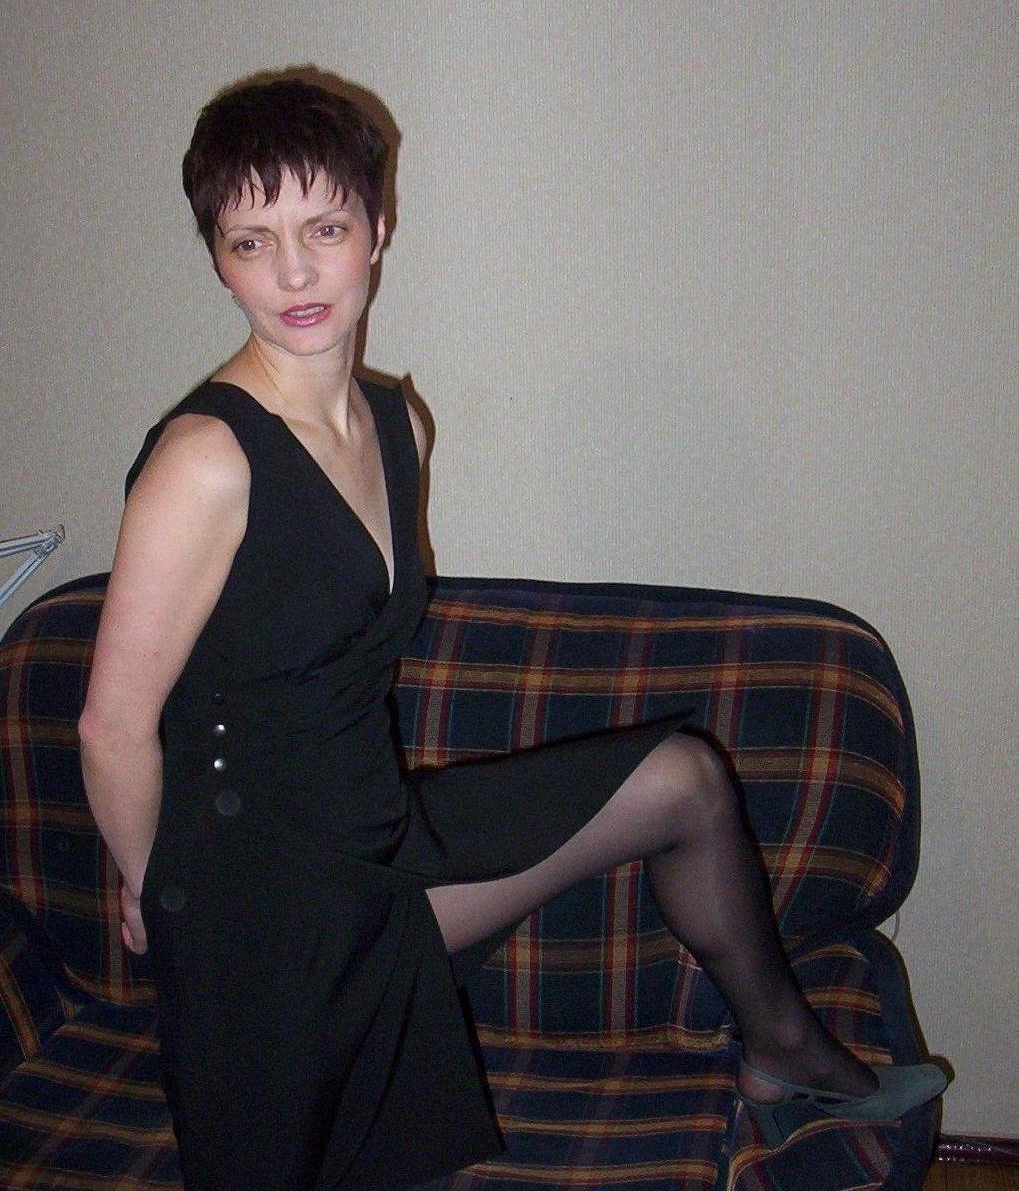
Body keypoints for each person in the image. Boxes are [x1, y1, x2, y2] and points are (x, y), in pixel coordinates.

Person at [78, 76, 947, 1191]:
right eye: (252, 242)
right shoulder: (205, 459)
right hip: (265, 902)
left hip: (376, 838)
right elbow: (112, 725)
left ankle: (782, 1050)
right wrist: (153, 889)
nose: (293, 275)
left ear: (378, 228)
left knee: (682, 780)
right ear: (217, 259)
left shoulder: (396, 422)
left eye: (324, 229)